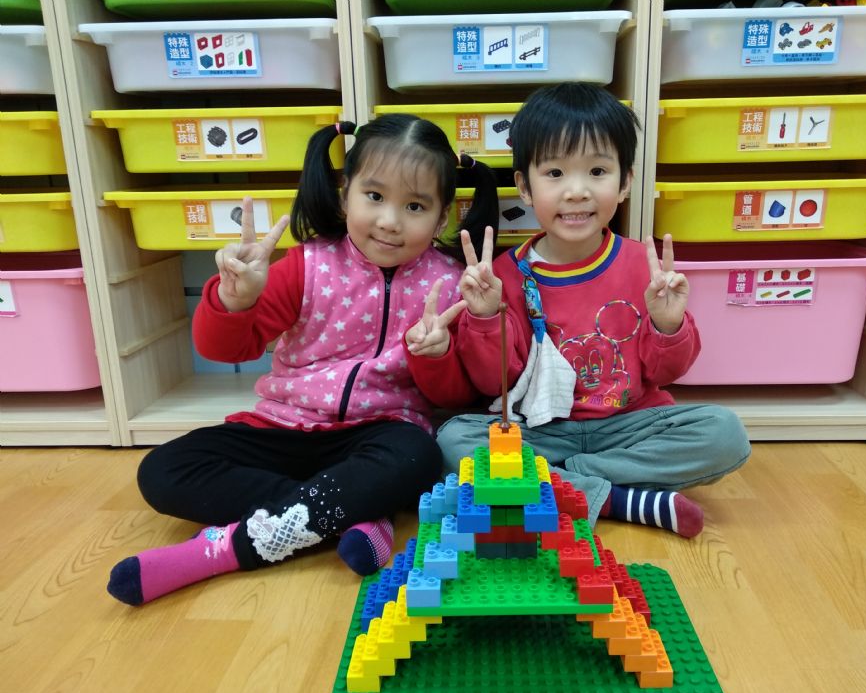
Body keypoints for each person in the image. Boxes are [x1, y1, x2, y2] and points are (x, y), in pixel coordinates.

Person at [106, 114, 498, 606]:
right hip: (280, 427)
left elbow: (456, 397)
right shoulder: (308, 265)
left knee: (419, 458)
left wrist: (434, 355)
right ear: (345, 195)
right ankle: (354, 509)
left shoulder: (449, 282)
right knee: (163, 469)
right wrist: (234, 301)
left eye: (415, 206)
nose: (390, 221)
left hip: (380, 434)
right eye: (374, 196)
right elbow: (225, 350)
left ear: (441, 219)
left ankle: (227, 549)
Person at [422, 83, 751, 538]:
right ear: (525, 187)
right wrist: (484, 317)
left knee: (724, 432)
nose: (576, 192)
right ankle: (621, 499)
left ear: (625, 182)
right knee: (453, 440)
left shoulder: (642, 265)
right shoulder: (503, 275)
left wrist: (668, 323)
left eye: (597, 171)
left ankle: (561, 484)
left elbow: (668, 373)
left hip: (628, 426)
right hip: (540, 432)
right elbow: (491, 384)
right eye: (555, 173)